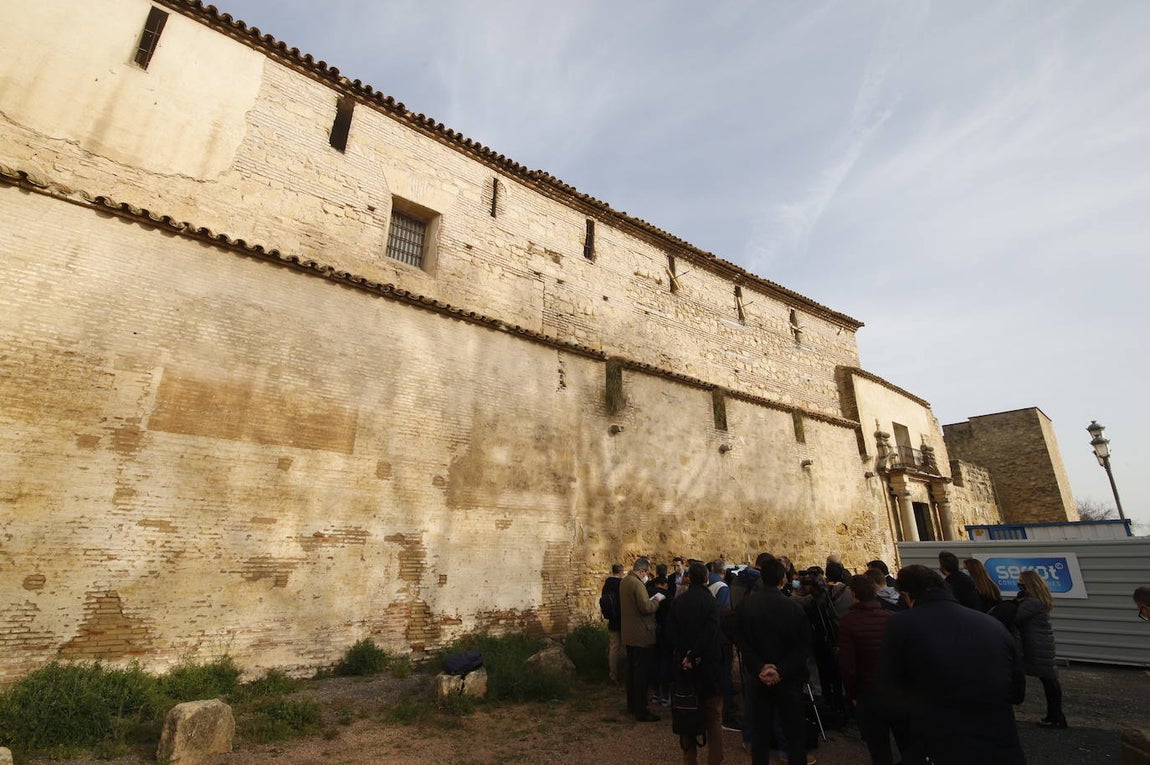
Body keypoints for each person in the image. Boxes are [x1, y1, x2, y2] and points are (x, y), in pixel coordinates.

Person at [878, 564, 1025, 765]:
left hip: (942, 743)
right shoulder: (991, 624)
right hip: (1000, 743)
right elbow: (1017, 691)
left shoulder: (901, 624)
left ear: (907, 594)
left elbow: (890, 686)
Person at [736, 556, 812, 765]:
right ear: (783, 580)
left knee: (760, 735)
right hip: (787, 680)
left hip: (758, 679)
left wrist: (760, 667)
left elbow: (741, 640)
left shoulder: (746, 606)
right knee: (794, 734)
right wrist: (781, 670)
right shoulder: (794, 608)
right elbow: (802, 647)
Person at [839, 574, 896, 765]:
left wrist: (852, 693)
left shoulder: (848, 621)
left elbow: (849, 665)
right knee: (906, 742)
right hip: (895, 690)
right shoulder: (892, 618)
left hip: (868, 692)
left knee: (879, 746)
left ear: (854, 594)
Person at [671, 562, 724, 765]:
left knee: (687, 715)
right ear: (706, 579)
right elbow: (711, 632)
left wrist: (687, 656)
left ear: (689, 579)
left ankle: (689, 760)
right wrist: (696, 655)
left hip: (686, 669)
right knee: (714, 718)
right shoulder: (711, 603)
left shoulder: (679, 602)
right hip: (708, 668)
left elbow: (672, 633)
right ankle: (714, 760)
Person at [1015, 569, 1067, 729]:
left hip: (1036, 643)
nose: (1018, 583)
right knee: (1049, 679)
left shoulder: (1032, 602)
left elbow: (1016, 617)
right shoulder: (1038, 599)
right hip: (1042, 642)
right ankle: (1056, 715)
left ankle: (1056, 716)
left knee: (1049, 680)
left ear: (1027, 583)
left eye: (1020, 580)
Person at [621, 556, 665, 722]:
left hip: (630, 634)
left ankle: (632, 705)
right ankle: (641, 710)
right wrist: (657, 601)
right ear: (641, 571)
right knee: (641, 675)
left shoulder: (625, 581)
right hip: (641, 635)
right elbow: (646, 607)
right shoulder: (637, 584)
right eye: (646, 572)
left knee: (632, 672)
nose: (647, 575)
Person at [599, 563, 625, 682]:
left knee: (614, 647)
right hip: (623, 620)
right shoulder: (621, 584)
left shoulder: (606, 585)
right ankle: (626, 672)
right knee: (626, 646)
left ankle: (612, 674)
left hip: (612, 620)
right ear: (621, 572)